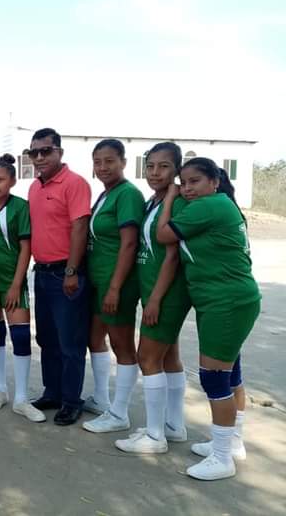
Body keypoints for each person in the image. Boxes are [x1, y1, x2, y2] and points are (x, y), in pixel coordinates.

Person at [157, 157, 260, 480]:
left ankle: (222, 457)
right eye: (183, 183)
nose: (187, 189)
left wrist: (169, 198)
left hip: (225, 302)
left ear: (214, 182)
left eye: (194, 182)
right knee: (231, 374)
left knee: (214, 378)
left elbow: (163, 235)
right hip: (228, 300)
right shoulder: (221, 204)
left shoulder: (208, 206)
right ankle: (232, 443)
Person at [115, 142, 191, 454]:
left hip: (167, 292)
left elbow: (172, 255)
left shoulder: (177, 203)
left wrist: (157, 299)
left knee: (147, 358)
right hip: (152, 289)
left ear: (177, 169)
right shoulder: (154, 201)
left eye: (164, 166)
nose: (155, 172)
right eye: (150, 166)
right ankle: (174, 425)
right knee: (168, 357)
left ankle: (156, 436)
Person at [27, 128, 92, 426]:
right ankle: (52, 392)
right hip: (42, 273)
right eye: (34, 152)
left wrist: (71, 271)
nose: (39, 157)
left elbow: (80, 228)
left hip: (65, 274)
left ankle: (71, 400)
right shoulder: (34, 188)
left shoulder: (74, 183)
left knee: (70, 343)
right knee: (47, 339)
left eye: (46, 151)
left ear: (59, 152)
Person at [82, 138, 145, 434]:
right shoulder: (106, 194)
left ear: (123, 162)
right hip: (99, 281)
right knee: (95, 338)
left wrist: (115, 288)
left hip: (116, 282)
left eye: (109, 161)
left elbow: (129, 243)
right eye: (98, 162)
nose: (103, 167)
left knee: (122, 346)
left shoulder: (127, 194)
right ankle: (101, 399)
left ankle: (119, 413)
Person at [0, 154, 45, 422]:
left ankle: (21, 399)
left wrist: (17, 284)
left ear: (12, 181)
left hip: (11, 282)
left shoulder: (20, 207)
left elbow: (26, 247)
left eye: (0, 180)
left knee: (20, 336)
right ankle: (0, 390)